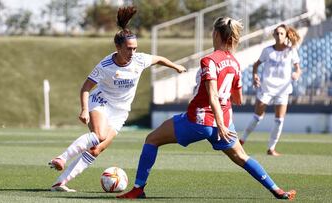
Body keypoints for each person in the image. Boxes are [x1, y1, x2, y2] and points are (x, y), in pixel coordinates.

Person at [117, 17, 296, 200]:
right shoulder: (235, 63)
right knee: (243, 158)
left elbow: (212, 96)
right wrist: (222, 123)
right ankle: (277, 190)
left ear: (216, 34)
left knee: (152, 139)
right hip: (224, 123)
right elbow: (238, 99)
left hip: (200, 120)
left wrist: (218, 120)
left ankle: (138, 189)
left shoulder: (209, 60)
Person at [48, 6, 186, 192]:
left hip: (121, 111)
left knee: (97, 149)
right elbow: (86, 87)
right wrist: (83, 109)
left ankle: (60, 182)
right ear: (118, 47)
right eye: (129, 49)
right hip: (101, 103)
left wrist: (175, 66)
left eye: (135, 48)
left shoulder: (139, 60)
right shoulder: (105, 65)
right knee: (100, 135)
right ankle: (63, 158)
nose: (132, 52)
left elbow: (159, 59)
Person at [239, 24, 302, 156]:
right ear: (273, 35)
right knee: (257, 117)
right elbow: (256, 65)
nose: (279, 36)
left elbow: (298, 68)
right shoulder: (267, 51)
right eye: (277, 33)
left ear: (286, 36)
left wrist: (296, 73)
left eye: (281, 34)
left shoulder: (291, 51)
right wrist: (255, 76)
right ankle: (241, 141)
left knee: (279, 120)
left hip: (282, 90)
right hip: (266, 88)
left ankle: (271, 148)